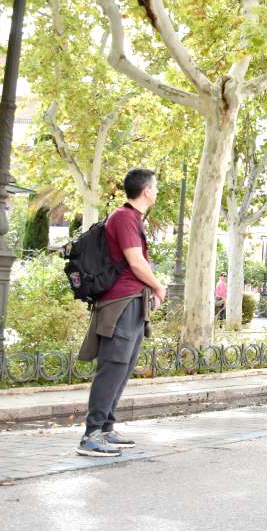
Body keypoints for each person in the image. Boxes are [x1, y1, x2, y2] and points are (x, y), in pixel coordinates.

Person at [76, 168, 166, 457]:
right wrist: (159, 287)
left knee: (123, 368)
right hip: (120, 303)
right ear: (147, 190)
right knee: (113, 366)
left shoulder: (132, 218)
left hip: (132, 302)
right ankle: (91, 435)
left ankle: (106, 428)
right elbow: (136, 263)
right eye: (156, 187)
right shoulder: (125, 217)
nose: (157, 191)